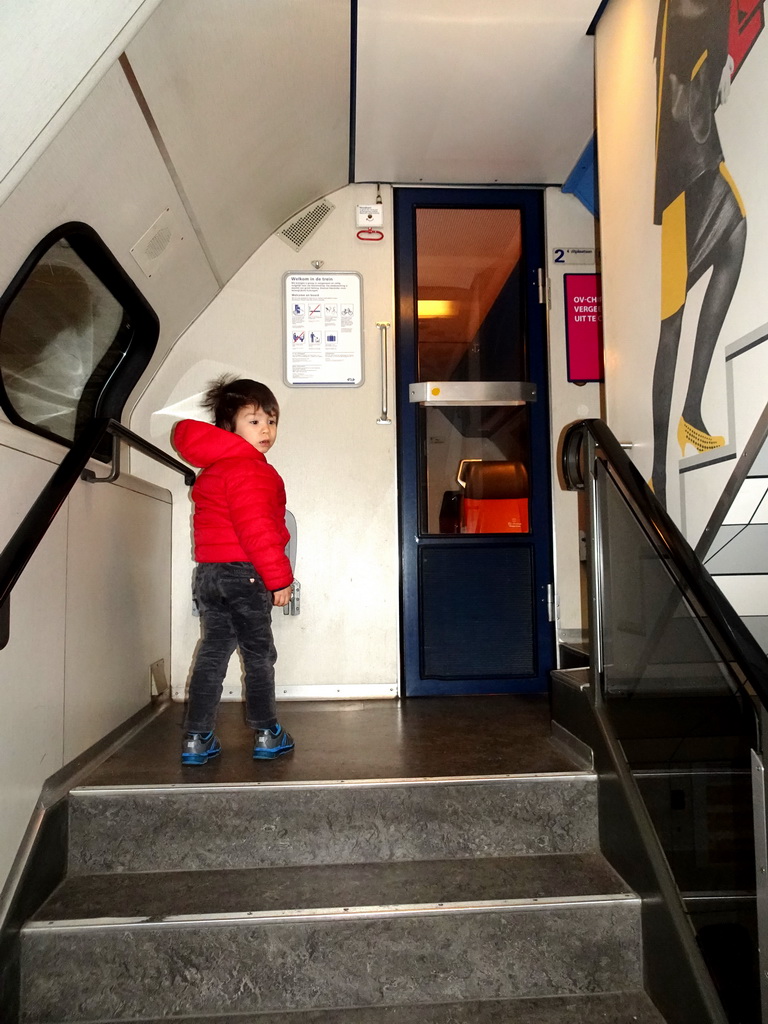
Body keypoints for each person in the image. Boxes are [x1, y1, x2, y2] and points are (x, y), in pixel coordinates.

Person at [650, 0, 746, 507]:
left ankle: (691, 411)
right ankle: (659, 473)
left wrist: (723, 59)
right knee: (672, 320)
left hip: (698, 147)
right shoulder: (680, 10)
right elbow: (691, 17)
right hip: (683, 165)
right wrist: (722, 55)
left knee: (736, 234)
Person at [173, 376, 294, 765]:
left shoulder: (213, 470)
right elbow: (258, 530)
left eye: (272, 421)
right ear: (230, 426)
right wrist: (280, 579)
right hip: (244, 574)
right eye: (254, 420)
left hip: (209, 575)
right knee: (259, 655)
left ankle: (197, 738)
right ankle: (266, 733)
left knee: (212, 654)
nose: (267, 430)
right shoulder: (251, 470)